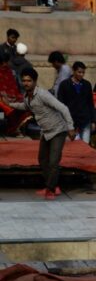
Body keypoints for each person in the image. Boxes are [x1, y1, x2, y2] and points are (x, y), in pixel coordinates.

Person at [2, 68, 74, 199]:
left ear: (35, 81)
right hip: (46, 132)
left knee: (53, 162)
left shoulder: (42, 94)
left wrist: (70, 127)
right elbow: (25, 106)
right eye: (24, 80)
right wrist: (9, 104)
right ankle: (53, 186)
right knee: (42, 160)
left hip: (58, 130)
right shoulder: (28, 96)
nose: (26, 83)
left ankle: (50, 190)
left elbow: (63, 108)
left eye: (29, 80)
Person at [57, 61, 94, 143]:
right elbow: (60, 103)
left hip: (85, 119)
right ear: (73, 71)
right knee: (73, 145)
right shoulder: (64, 85)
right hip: (70, 120)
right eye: (79, 72)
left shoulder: (87, 84)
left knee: (85, 145)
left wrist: (93, 121)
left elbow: (90, 103)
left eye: (83, 72)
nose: (81, 74)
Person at [0, 50, 32, 136]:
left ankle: (16, 128)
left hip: (11, 96)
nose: (5, 64)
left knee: (24, 103)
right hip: (1, 98)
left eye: (6, 62)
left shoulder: (9, 71)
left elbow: (13, 86)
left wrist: (12, 96)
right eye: (3, 62)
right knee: (9, 109)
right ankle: (12, 129)